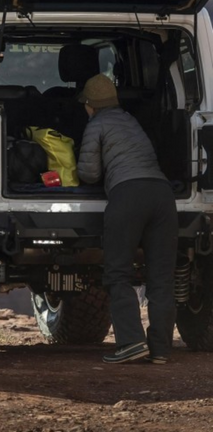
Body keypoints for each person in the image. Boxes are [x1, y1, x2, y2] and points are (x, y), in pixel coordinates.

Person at [77, 73, 178, 364]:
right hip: (162, 195)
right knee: (161, 278)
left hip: (128, 195)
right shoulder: (131, 120)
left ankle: (131, 342)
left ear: (89, 105)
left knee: (118, 272)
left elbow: (90, 173)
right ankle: (160, 350)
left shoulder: (96, 124)